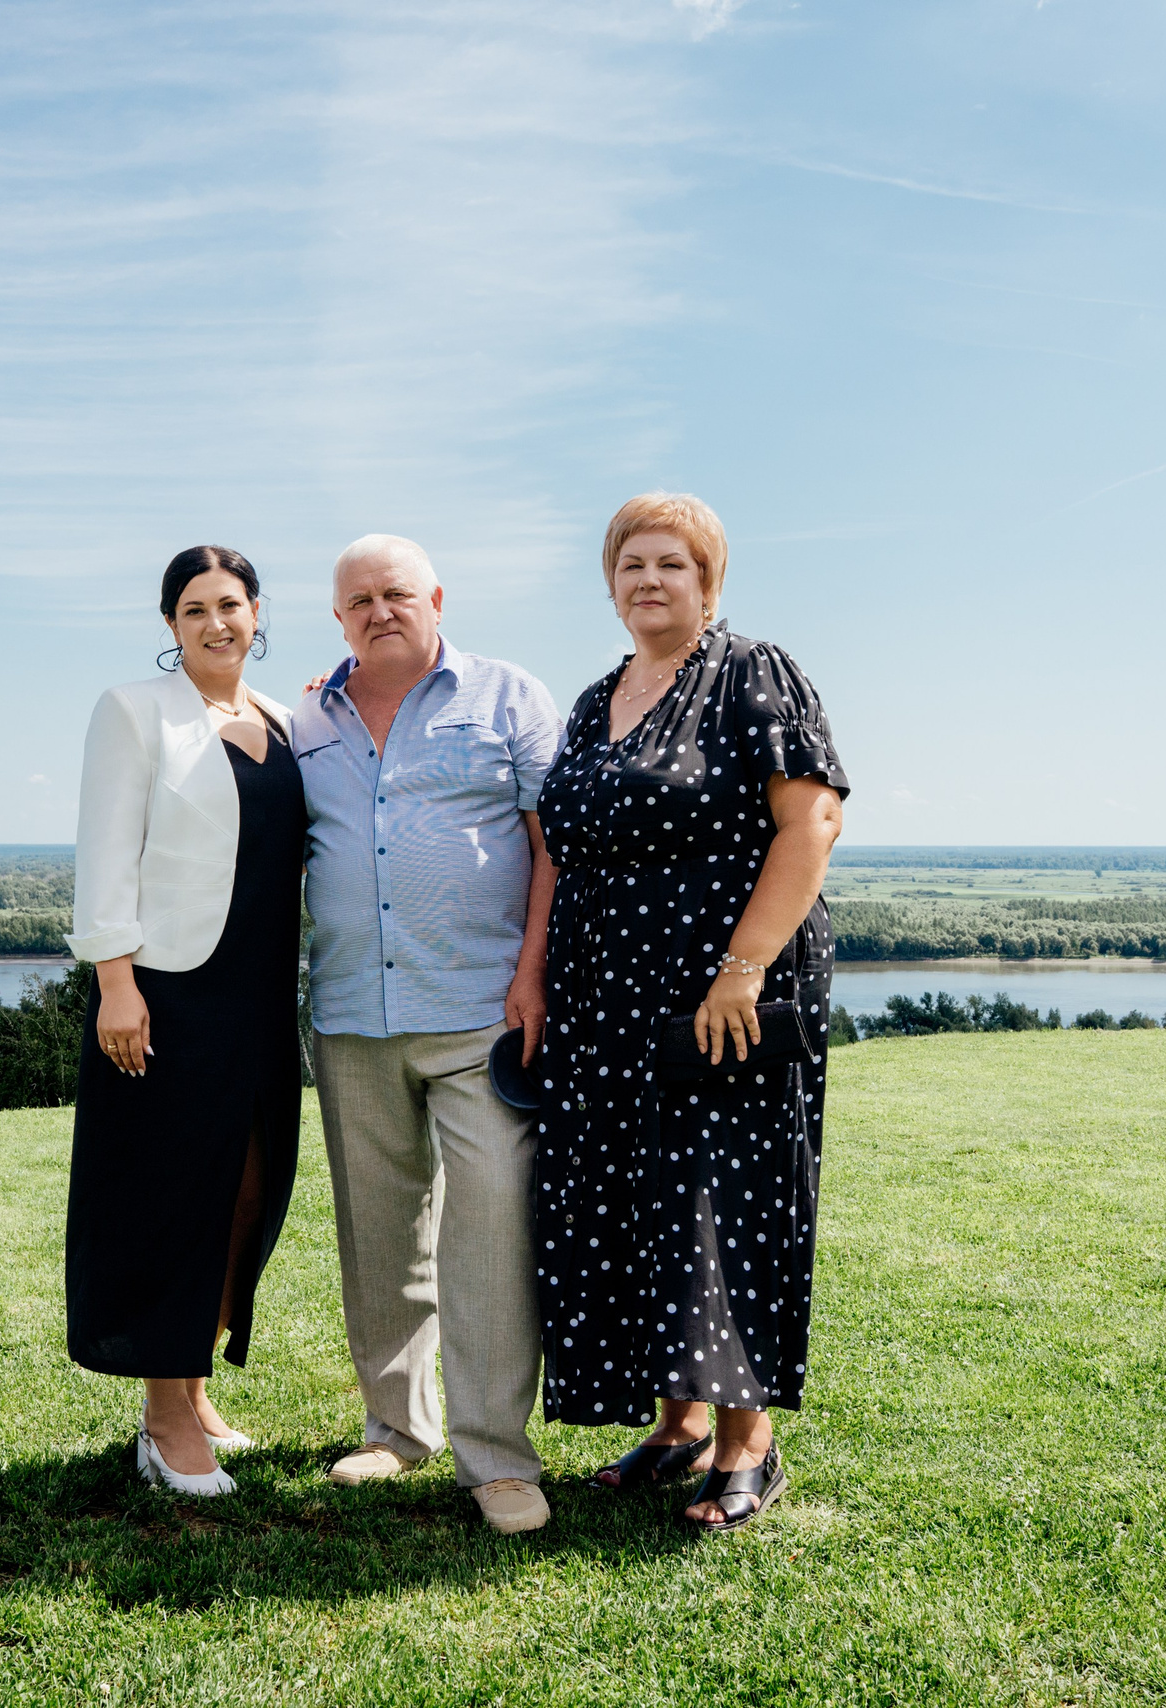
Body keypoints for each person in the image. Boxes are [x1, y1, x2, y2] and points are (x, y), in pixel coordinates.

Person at [531, 493, 847, 1533]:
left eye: (671, 563)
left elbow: (812, 820)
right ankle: (673, 1424)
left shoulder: (752, 670)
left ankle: (746, 1440)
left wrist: (742, 968)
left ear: (708, 581)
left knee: (726, 1201)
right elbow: (561, 845)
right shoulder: (592, 700)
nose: (648, 580)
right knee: (635, 1201)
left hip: (722, 995)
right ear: (609, 582)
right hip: (603, 1001)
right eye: (630, 564)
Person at [295, 534, 564, 1536]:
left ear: (437, 597)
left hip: (480, 1015)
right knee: (379, 1235)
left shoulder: (508, 697)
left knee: (489, 1228)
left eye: (396, 592)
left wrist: (533, 973)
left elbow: (552, 850)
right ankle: (393, 1431)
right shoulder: (306, 717)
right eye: (357, 598)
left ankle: (495, 1457)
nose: (379, 609)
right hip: (352, 1017)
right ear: (337, 617)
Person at [64, 545, 308, 1498]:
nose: (217, 622)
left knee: (246, 1193)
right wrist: (115, 983)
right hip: (166, 992)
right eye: (195, 608)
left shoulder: (289, 721)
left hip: (260, 992)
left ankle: (195, 1386)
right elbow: (105, 852)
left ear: (258, 614)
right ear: (170, 625)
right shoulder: (134, 711)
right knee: (172, 1198)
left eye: (232, 604)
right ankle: (166, 1420)